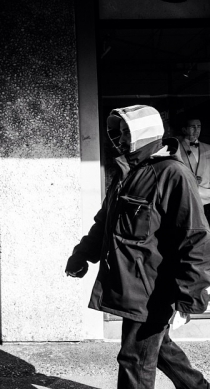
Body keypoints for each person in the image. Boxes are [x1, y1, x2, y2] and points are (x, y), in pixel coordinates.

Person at [65, 104, 210, 389]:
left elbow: (194, 237)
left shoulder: (172, 174)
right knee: (158, 347)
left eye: (124, 133)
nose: (117, 140)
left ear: (141, 135)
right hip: (132, 285)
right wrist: (81, 255)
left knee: (135, 360)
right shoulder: (128, 173)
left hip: (155, 288)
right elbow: (105, 222)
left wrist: (189, 297)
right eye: (116, 133)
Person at [176, 116, 210, 223]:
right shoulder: (176, 149)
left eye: (198, 127)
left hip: (208, 198)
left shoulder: (208, 148)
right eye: (192, 127)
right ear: (184, 129)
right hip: (187, 197)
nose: (196, 130)